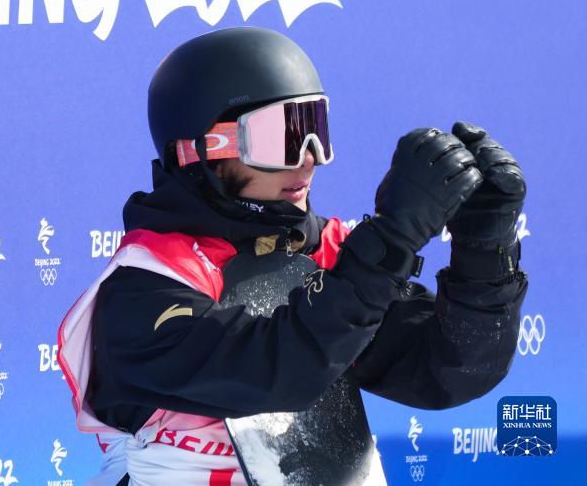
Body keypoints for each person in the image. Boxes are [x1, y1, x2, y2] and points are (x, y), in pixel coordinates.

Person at [58, 27, 528, 485]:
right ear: (201, 152)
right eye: (280, 138)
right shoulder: (145, 287)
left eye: (313, 128)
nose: (309, 158)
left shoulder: (324, 255)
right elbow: (277, 369)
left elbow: (450, 370)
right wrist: (389, 242)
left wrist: (485, 252)